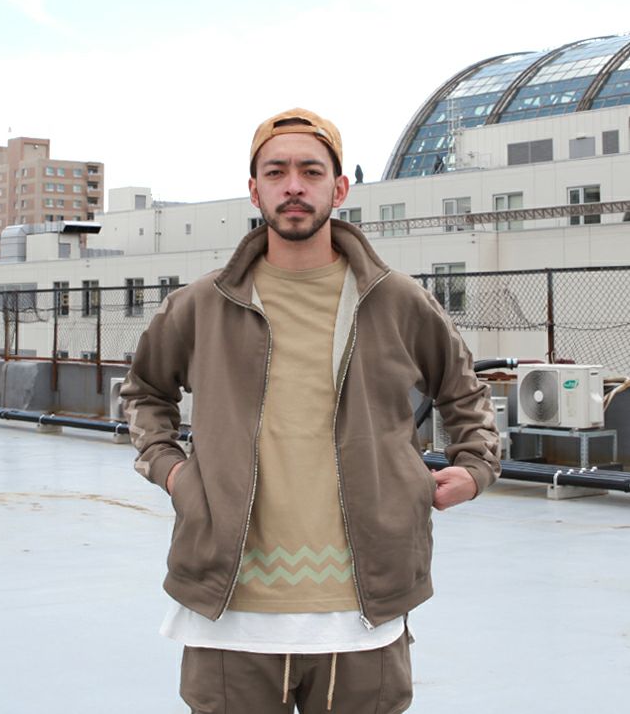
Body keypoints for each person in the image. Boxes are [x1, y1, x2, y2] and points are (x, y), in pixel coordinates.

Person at [121, 108, 500, 713]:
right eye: (276, 172)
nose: (293, 185)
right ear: (255, 190)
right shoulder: (201, 304)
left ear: (339, 188)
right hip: (230, 609)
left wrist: (475, 465)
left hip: (363, 605)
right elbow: (143, 392)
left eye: (311, 171)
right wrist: (174, 474)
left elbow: (465, 389)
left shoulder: (396, 299)